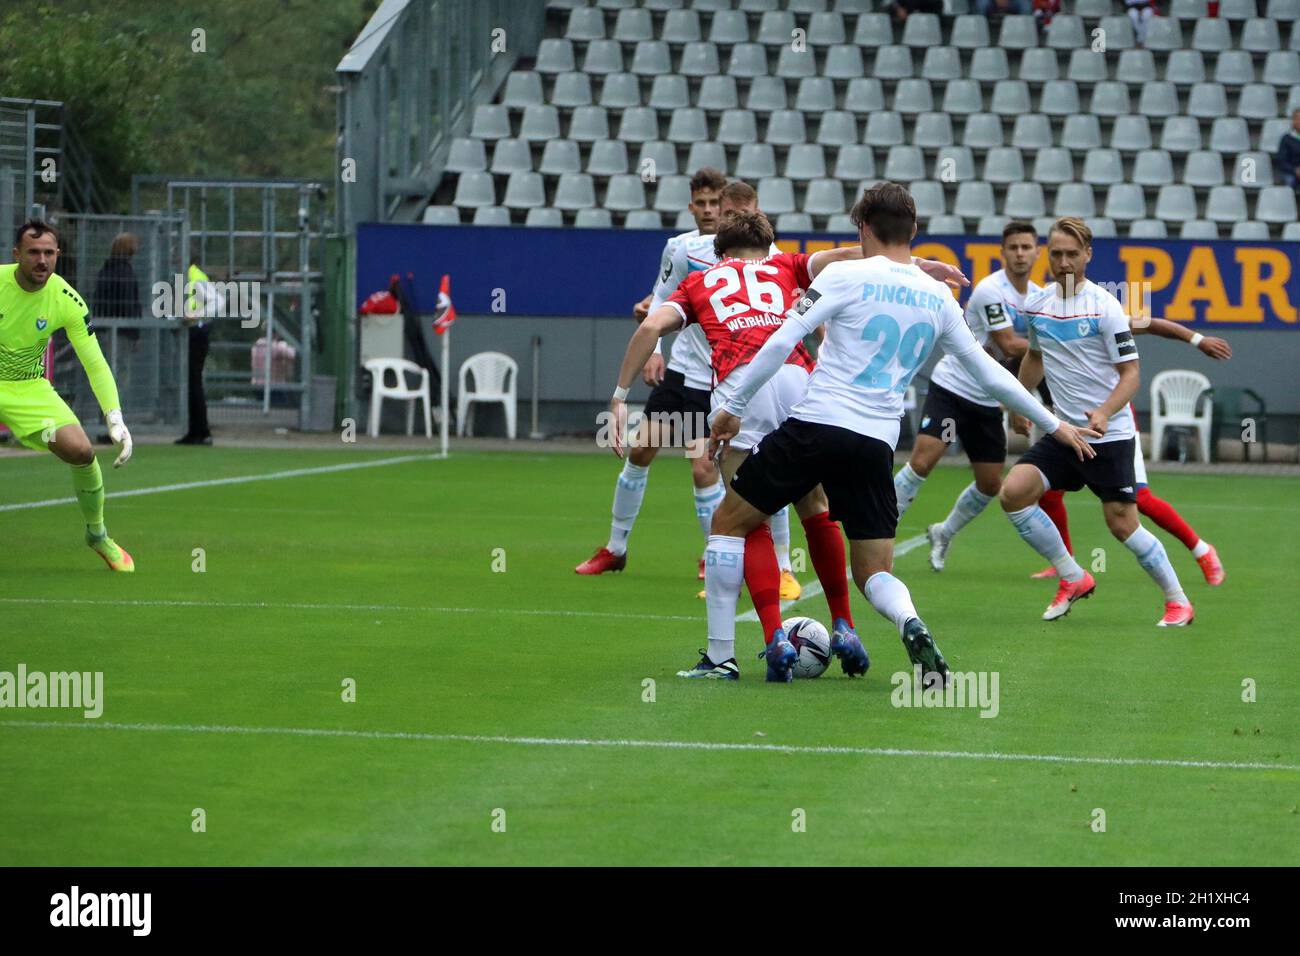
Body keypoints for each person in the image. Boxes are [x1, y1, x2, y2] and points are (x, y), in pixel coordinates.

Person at [704, 184, 1095, 683]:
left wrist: (732, 408)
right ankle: (910, 621)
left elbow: (782, 341)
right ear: (913, 231)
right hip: (875, 445)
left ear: (863, 228)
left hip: (816, 425)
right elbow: (990, 373)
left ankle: (718, 659)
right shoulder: (937, 295)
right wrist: (1055, 423)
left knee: (729, 524)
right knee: (873, 573)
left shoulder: (844, 274)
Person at [613, 211, 872, 680]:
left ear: (719, 251)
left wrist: (618, 397)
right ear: (767, 244)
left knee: (739, 518)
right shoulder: (788, 265)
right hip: (798, 378)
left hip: (742, 387)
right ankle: (845, 625)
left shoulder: (699, 281)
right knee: (815, 505)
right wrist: (921, 266)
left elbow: (650, 328)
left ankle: (762, 642)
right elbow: (857, 254)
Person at [1000, 217, 1194, 627]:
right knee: (1014, 493)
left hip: (1109, 434)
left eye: (1073, 254)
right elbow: (1035, 357)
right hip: (1066, 432)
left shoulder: (1105, 306)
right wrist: (1019, 403)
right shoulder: (1037, 305)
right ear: (1046, 256)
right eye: (1056, 254)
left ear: (1088, 255)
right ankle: (1073, 577)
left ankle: (1178, 601)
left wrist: (1105, 412)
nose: (1064, 262)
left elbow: (1131, 375)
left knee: (1122, 524)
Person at [1025, 319, 1231, 586]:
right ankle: (1066, 563)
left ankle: (1202, 550)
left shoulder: (1099, 314)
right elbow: (1032, 355)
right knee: (1048, 494)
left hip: (1114, 426)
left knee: (1141, 499)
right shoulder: (1046, 319)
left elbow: (1153, 324)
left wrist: (1197, 339)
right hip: (1070, 424)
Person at [891, 221, 1041, 571]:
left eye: (1026, 247)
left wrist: (1018, 402)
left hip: (988, 402)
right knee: (924, 462)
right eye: (1013, 247)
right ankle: (882, 531)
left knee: (990, 484)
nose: (1020, 253)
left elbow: (1027, 358)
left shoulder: (1036, 297)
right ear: (1003, 253)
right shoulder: (992, 291)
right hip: (954, 391)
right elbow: (1008, 344)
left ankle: (944, 532)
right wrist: (1054, 341)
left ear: (1036, 252)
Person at [0, 220, 135, 570]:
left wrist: (114, 417)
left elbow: (95, 362)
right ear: (17, 255)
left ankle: (97, 533)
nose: (42, 260)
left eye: (49, 252)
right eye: (33, 252)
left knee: (81, 450)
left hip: (29, 388)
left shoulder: (64, 297)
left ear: (58, 255)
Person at [176, 261, 221, 445]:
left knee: (193, 381)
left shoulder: (195, 277)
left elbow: (218, 301)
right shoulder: (188, 277)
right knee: (190, 381)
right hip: (193, 331)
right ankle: (195, 430)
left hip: (197, 332)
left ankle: (201, 430)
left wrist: (197, 315)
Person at [1275, 109, 1300, 189]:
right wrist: (1295, 170)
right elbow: (1281, 161)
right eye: (1298, 119)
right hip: (1291, 172)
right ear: (1293, 122)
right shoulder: (1286, 139)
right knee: (1289, 181)